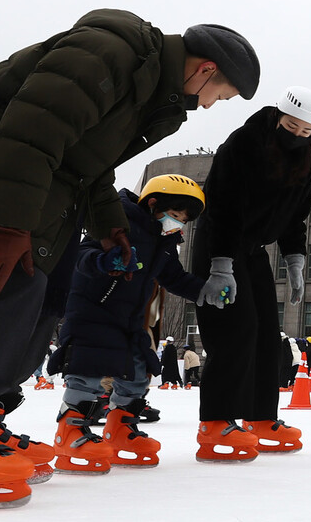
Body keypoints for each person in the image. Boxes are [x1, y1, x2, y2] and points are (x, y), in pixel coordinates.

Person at [0, 9, 260, 507]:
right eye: (219, 96)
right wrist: (10, 226)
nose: (209, 106)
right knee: (15, 282)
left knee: (50, 289)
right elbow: (33, 127)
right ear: (205, 69)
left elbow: (91, 169)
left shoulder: (148, 96)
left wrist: (109, 229)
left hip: (20, 180)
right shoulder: (115, 51)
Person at [191, 86, 311, 462]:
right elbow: (222, 207)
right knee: (237, 328)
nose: (297, 137)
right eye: (291, 126)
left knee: (268, 332)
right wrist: (220, 264)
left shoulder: (304, 156)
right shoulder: (244, 143)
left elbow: (296, 210)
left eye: (306, 132)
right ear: (276, 117)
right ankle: (215, 421)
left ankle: (260, 417)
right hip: (220, 243)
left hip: (254, 251)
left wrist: (295, 259)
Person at [50, 174, 206, 474]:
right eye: (174, 216)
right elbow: (82, 253)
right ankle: (69, 433)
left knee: (138, 371)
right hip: (93, 308)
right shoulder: (116, 219)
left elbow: (173, 276)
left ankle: (120, 430)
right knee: (88, 371)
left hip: (130, 317)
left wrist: (203, 291)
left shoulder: (164, 242)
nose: (177, 224)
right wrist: (103, 262)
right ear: (152, 203)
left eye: (182, 221)